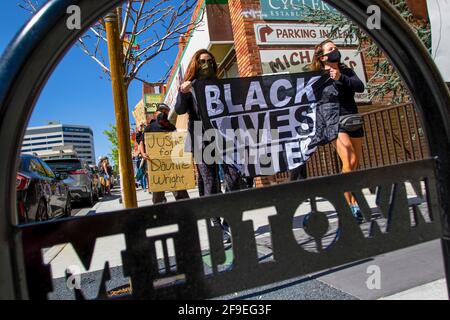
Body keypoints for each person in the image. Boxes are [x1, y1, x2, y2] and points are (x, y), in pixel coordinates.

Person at [175, 48, 246, 243]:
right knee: (210, 181)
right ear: (196, 65)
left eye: (209, 61)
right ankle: (216, 225)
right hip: (200, 137)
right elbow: (180, 109)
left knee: (233, 178)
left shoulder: (221, 85)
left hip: (225, 136)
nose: (206, 64)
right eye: (202, 61)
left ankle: (228, 219)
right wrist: (183, 91)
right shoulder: (190, 87)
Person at [311, 39, 366, 223]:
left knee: (355, 165)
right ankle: (351, 205)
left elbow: (359, 87)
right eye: (331, 49)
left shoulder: (347, 71)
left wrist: (340, 77)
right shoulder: (318, 77)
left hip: (353, 119)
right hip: (336, 123)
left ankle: (353, 200)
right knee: (348, 160)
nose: (335, 50)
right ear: (323, 56)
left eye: (335, 47)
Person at [139, 104, 190, 204]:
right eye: (161, 110)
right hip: (156, 166)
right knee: (158, 194)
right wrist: (143, 153)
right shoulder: (149, 127)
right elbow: (141, 142)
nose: (163, 113)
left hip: (171, 165)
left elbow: (178, 143)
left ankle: (186, 211)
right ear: (156, 113)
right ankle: (159, 213)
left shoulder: (171, 127)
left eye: (165, 111)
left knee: (179, 191)